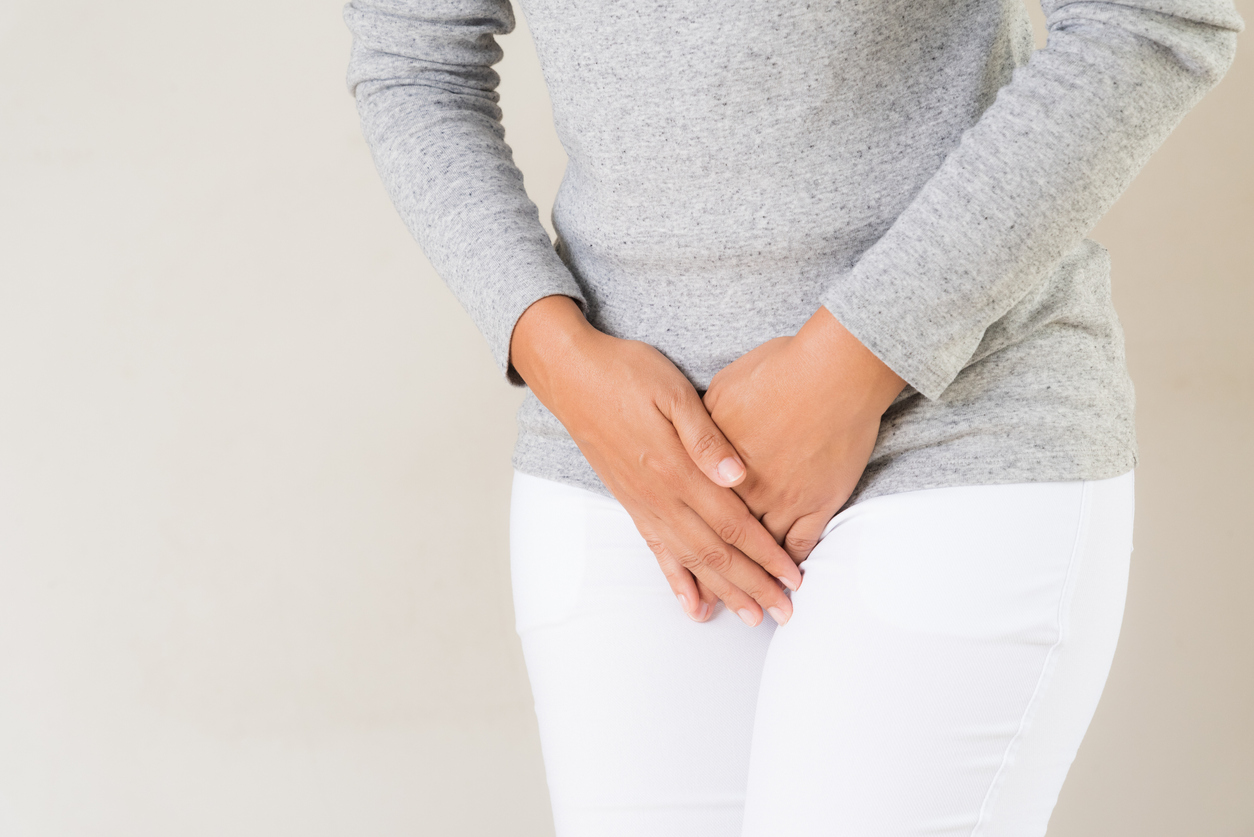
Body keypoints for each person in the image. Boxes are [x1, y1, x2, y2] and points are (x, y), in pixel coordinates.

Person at [343, 1, 1242, 833]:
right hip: (622, 470)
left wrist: (851, 364)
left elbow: (1157, 17)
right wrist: (562, 365)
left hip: (955, 430)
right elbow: (412, 65)